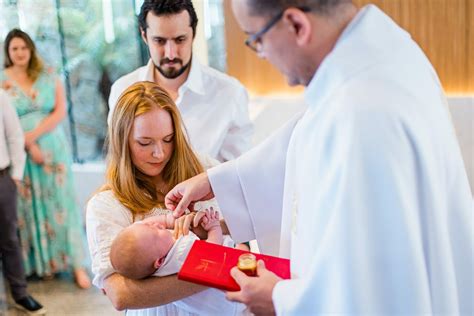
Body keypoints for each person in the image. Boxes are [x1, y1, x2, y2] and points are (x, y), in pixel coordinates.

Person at [165, 0, 473, 315]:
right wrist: (218, 182)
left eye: (257, 40)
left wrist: (280, 300)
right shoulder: (382, 57)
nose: (263, 55)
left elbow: (374, 289)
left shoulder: (362, 114)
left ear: (298, 25)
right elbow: (305, 139)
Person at [87, 81, 246, 315]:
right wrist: (219, 268)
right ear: (123, 141)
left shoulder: (203, 169)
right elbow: (121, 295)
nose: (159, 153)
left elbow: (242, 227)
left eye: (168, 139)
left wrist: (207, 228)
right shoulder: (105, 205)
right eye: (145, 143)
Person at [0, 28, 91, 289]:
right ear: (8, 52)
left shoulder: (49, 75)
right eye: (14, 48)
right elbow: (5, 121)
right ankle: (39, 267)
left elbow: (61, 110)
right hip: (19, 152)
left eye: (23, 47)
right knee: (27, 208)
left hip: (52, 148)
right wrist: (26, 145)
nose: (19, 53)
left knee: (61, 205)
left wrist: (33, 136)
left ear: (30, 49)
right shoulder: (2, 81)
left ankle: (75, 265)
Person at [108, 0, 253, 162]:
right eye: (159, 41)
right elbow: (119, 163)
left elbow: (237, 175)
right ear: (144, 35)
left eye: (180, 40)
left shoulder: (230, 94)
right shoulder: (122, 91)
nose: (170, 54)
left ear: (194, 34)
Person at [110, 209, 246, 315]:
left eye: (151, 226)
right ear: (160, 261)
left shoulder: (152, 253)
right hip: (225, 302)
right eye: (157, 231)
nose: (157, 225)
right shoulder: (180, 253)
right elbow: (212, 251)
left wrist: (169, 220)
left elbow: (141, 226)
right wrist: (214, 228)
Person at [0, 89, 46, 314]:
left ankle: (20, 294)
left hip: (2, 177)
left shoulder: (1, 96)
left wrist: (16, 174)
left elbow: (14, 135)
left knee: (9, 238)